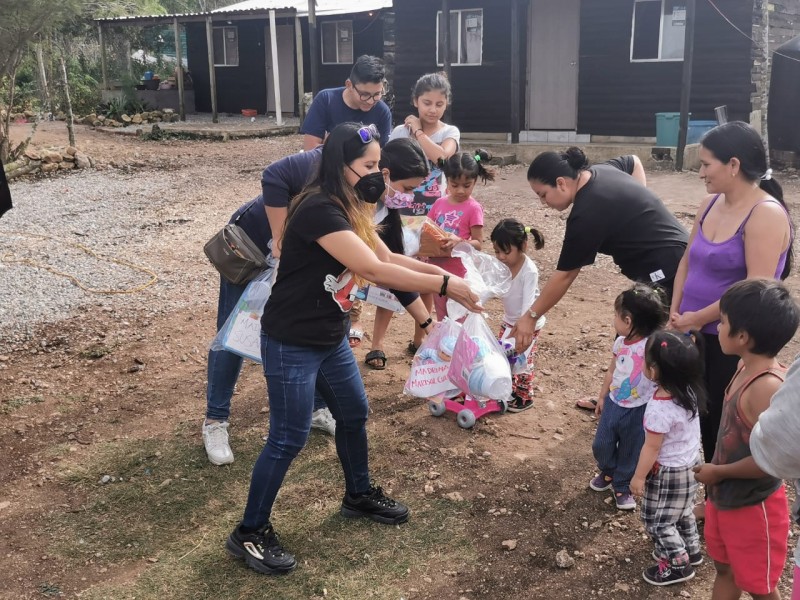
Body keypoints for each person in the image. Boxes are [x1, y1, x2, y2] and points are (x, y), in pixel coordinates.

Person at [225, 122, 481, 576]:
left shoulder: (350, 206)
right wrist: (444, 283)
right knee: (288, 437)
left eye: (377, 166)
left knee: (354, 413)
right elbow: (372, 271)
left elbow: (386, 259)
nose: (376, 175)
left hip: (330, 336)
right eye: (366, 166)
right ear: (337, 165)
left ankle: (358, 494)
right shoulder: (319, 210)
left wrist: (441, 291)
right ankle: (249, 532)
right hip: (292, 341)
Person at [668, 122, 793, 520]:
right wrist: (677, 311)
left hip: (731, 338)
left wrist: (694, 318)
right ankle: (712, 497)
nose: (701, 172)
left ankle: (727, 503)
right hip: (692, 329)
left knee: (728, 425)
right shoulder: (710, 204)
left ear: (734, 164)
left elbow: (751, 291)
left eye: (706, 164)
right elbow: (688, 259)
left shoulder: (766, 215)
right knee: (697, 415)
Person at [203, 146, 330, 467]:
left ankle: (316, 408)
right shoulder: (326, 159)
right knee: (234, 331)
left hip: (297, 255)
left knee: (306, 328)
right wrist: (279, 238)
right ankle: (215, 421)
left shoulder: (373, 195)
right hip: (253, 246)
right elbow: (273, 175)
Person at [511, 148, 688, 360]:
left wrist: (531, 317)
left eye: (543, 194)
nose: (543, 202)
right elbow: (633, 161)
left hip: (668, 270)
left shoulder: (586, 214)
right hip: (680, 252)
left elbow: (565, 275)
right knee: (627, 342)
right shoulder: (601, 170)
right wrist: (635, 206)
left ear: (560, 183)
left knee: (645, 348)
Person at [693, 279, 800, 600]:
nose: (717, 326)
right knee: (724, 569)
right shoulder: (742, 366)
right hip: (724, 498)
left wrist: (719, 472)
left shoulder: (767, 387)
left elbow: (773, 461)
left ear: (742, 337)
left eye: (722, 321)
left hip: (754, 508)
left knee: (759, 586)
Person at [388, 72, 460, 352]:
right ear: (415, 101)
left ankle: (420, 338)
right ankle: (378, 343)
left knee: (428, 276)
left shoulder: (449, 132)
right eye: (427, 102)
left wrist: (417, 131)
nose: (432, 109)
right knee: (392, 272)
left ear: (446, 104)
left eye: (439, 104)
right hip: (398, 210)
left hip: (432, 215)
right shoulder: (397, 132)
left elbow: (443, 159)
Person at [630, 330, 707, 586]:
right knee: (683, 510)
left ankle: (677, 564)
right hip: (691, 463)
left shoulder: (659, 408)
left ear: (654, 370)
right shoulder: (689, 390)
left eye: (644, 360)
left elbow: (651, 448)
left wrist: (639, 477)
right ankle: (691, 550)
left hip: (669, 472)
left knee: (657, 521)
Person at [588, 284, 667, 511]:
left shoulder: (651, 347)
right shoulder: (620, 343)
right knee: (601, 444)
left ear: (628, 320)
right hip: (614, 402)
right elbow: (612, 370)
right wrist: (602, 396)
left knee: (632, 448)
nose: (614, 319)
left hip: (640, 408)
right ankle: (609, 469)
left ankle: (622, 483)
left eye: (616, 315)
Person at [364, 138, 434, 370]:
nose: (410, 197)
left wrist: (428, 326)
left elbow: (395, 272)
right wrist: (443, 281)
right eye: (408, 189)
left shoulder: (383, 210)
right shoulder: (358, 207)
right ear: (385, 174)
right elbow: (386, 267)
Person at [751, 355, 800, 600]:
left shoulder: (765, 383)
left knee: (759, 579)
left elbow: (776, 447)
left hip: (753, 500)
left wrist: (720, 472)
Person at [426, 150, 494, 320]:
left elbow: (478, 243)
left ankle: (459, 347)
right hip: (437, 270)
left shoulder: (473, 208)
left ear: (475, 182)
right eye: (455, 185)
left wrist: (459, 241)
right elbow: (426, 229)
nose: (461, 191)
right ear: (446, 180)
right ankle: (445, 347)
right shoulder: (439, 203)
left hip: (461, 273)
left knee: (460, 317)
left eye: (467, 185)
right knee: (442, 316)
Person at [490, 218, 546, 412]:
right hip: (509, 321)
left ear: (522, 246)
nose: (501, 257)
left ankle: (525, 396)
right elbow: (494, 287)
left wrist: (524, 328)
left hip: (528, 324)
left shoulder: (529, 271)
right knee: (503, 356)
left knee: (523, 360)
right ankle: (509, 390)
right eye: (497, 251)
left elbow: (529, 304)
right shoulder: (502, 266)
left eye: (506, 251)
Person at [300, 55, 392, 151]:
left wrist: (330, 146)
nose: (371, 101)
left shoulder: (382, 111)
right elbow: (310, 148)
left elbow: (381, 154)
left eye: (377, 94)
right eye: (364, 94)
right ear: (349, 85)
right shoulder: (326, 100)